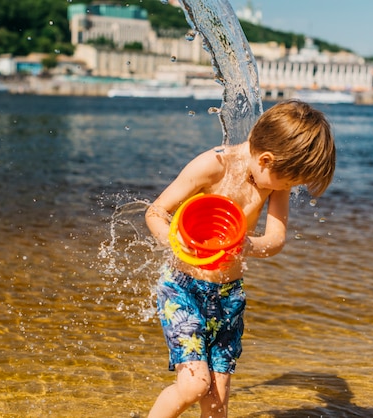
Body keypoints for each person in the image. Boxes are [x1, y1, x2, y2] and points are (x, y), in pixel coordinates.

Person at [144, 99, 336, 418]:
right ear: (265, 159)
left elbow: (275, 240)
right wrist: (176, 241)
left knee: (216, 405)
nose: (289, 189)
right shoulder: (212, 166)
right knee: (193, 386)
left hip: (227, 297)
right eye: (289, 183)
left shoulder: (273, 179)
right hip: (183, 290)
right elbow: (156, 212)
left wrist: (247, 245)